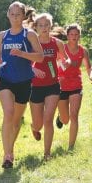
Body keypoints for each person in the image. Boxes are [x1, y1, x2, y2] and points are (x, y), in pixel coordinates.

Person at [0, 1, 44, 168]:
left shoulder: (29, 34)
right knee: (8, 113)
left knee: (16, 120)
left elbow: (39, 57)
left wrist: (22, 54)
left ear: (23, 16)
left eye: (18, 14)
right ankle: (7, 155)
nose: (14, 17)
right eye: (12, 14)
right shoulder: (3, 35)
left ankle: (10, 150)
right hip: (5, 78)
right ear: (8, 15)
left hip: (24, 81)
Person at [30, 13, 71, 160]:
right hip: (35, 86)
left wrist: (66, 63)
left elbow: (66, 58)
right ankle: (33, 127)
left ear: (50, 26)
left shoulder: (56, 43)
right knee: (38, 124)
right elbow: (23, 62)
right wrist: (33, 69)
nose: (44, 28)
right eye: (40, 25)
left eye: (46, 25)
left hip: (53, 86)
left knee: (48, 120)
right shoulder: (31, 43)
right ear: (36, 27)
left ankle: (47, 153)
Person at [56, 23, 92, 151]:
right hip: (61, 86)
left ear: (79, 35)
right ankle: (60, 117)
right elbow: (56, 63)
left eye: (76, 34)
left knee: (74, 116)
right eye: (71, 34)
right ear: (67, 36)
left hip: (76, 85)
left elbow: (88, 67)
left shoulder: (83, 51)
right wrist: (58, 74)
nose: (74, 36)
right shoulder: (62, 49)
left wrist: (91, 76)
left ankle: (71, 147)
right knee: (66, 120)